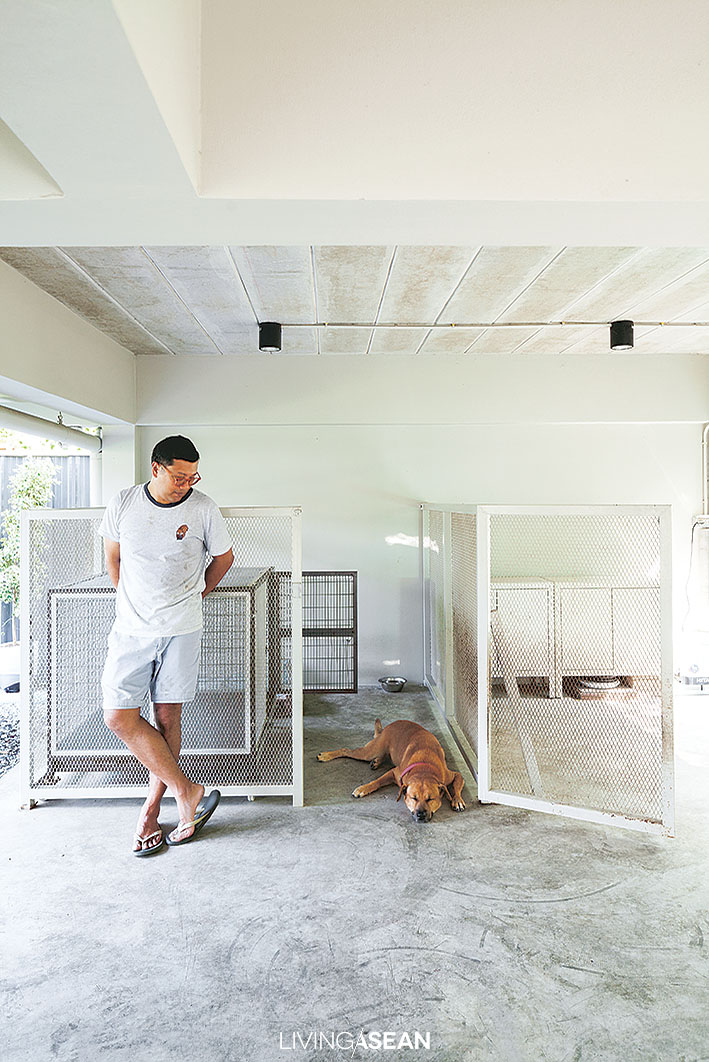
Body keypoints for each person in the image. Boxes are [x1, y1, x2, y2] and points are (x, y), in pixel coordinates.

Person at [100, 435, 234, 856]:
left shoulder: (203, 508)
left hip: (181, 627)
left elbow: (224, 559)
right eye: (179, 476)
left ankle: (152, 809)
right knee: (118, 716)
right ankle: (187, 789)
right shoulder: (123, 502)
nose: (187, 483)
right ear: (156, 468)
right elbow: (113, 558)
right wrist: (132, 603)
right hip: (130, 630)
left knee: (166, 716)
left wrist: (198, 595)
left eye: (193, 476)